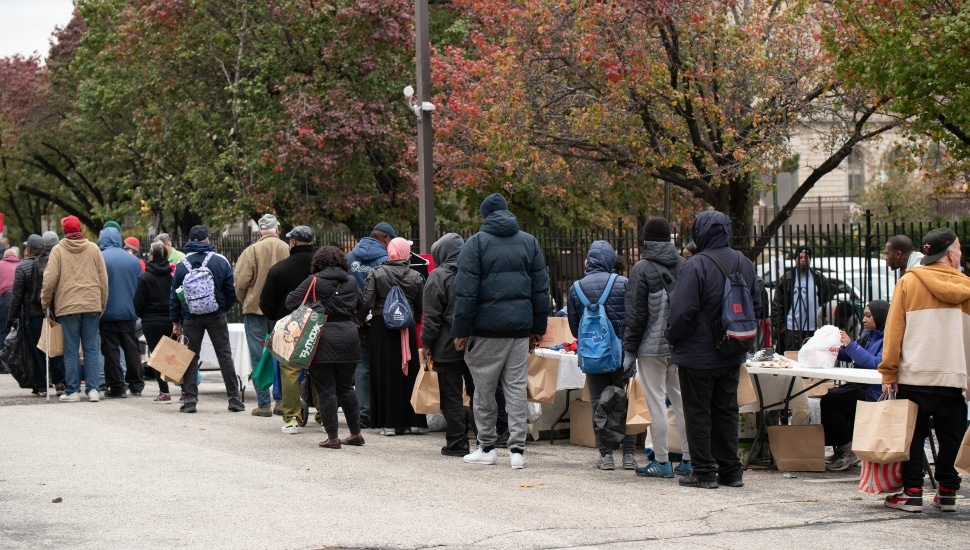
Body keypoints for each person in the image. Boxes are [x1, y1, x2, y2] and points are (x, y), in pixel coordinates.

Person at [453, 193, 550, 470]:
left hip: (486, 330)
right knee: (516, 387)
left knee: (483, 390)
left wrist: (460, 331)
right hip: (519, 329)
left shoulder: (476, 244)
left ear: (484, 216)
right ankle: (517, 450)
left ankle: (486, 446)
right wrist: (538, 329)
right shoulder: (529, 242)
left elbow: (466, 293)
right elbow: (540, 289)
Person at [666, 210, 761, 489]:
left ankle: (704, 471)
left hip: (698, 354)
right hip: (732, 349)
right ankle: (731, 470)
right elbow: (756, 306)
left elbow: (681, 311)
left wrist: (672, 337)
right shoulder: (744, 263)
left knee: (698, 411)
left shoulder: (696, 266)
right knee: (726, 410)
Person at [880, 228, 969, 513]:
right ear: (951, 255)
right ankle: (947, 490)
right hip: (954, 375)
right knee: (951, 434)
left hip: (915, 373)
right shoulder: (967, 288)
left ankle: (913, 492)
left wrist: (888, 372)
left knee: (913, 435)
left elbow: (893, 332)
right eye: (959, 250)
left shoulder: (908, 283)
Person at [623, 218, 692, 478]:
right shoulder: (685, 265)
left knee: (656, 404)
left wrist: (629, 350)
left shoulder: (641, 269)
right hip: (679, 346)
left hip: (650, 349)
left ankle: (662, 461)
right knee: (682, 402)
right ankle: (689, 459)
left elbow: (636, 316)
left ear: (646, 240)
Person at [285, 246, 364, 449]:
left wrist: (314, 305)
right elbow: (362, 304)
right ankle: (356, 433)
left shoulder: (313, 281)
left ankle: (333, 437)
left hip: (321, 336)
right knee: (346, 387)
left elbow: (291, 301)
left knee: (326, 389)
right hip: (349, 336)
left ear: (318, 262)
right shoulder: (352, 281)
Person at [567, 240, 634, 471]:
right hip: (620, 353)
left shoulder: (575, 288)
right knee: (624, 400)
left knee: (598, 402)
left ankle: (606, 456)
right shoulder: (624, 283)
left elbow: (575, 328)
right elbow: (632, 319)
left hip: (593, 356)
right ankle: (629, 455)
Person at [169, 225, 244, 414]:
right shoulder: (220, 261)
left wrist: (176, 321)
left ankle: (190, 400)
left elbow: (174, 296)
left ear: (190, 241)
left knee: (191, 357)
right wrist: (222, 308)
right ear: (207, 240)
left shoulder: (182, 265)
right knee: (224, 355)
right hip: (216, 315)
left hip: (191, 318)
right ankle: (234, 399)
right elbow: (230, 291)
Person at [357, 237, 426, 436]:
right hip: (407, 328)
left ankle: (388, 423)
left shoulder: (376, 273)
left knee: (384, 373)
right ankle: (413, 421)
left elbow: (366, 301)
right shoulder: (415, 276)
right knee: (410, 372)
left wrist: (361, 320)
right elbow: (421, 308)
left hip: (381, 327)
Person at [41, 215, 109, 403]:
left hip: (67, 305)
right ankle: (93, 389)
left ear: (64, 232)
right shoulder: (94, 249)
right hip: (91, 303)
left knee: (71, 349)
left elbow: (50, 279)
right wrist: (102, 302)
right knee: (91, 349)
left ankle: (72, 391)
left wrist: (45, 302)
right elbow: (103, 279)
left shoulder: (58, 250)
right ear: (81, 230)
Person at [260, 225, 318, 433]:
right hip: (318, 323)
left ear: (292, 242)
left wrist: (276, 317)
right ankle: (322, 415)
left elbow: (265, 302)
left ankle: (292, 417)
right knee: (318, 369)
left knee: (290, 370)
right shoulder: (320, 269)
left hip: (288, 326)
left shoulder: (279, 269)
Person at [421, 233, 473, 457]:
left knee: (450, 394)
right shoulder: (474, 273)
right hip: (475, 343)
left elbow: (431, 317)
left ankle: (457, 442)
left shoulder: (438, 276)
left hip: (446, 345)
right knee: (478, 391)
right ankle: (484, 438)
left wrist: (426, 344)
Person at [820, 300, 888, 471]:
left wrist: (851, 345)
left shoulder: (888, 338)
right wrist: (831, 348)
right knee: (831, 397)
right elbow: (853, 355)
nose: (864, 320)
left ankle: (848, 450)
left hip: (874, 391)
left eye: (868, 316)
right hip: (860, 386)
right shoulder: (868, 334)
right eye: (864, 315)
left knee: (832, 401)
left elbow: (875, 363)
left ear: (880, 317)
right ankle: (843, 448)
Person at [234, 214, 290, 417]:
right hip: (282, 311)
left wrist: (246, 300)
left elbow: (241, 282)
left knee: (258, 357)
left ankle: (263, 402)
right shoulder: (287, 248)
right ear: (277, 229)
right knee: (282, 356)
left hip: (255, 309)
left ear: (260, 232)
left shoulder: (251, 250)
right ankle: (282, 401)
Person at [345, 221, 395, 428]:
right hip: (380, 319)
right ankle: (382, 412)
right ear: (386, 239)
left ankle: (364, 413)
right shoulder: (386, 260)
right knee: (382, 366)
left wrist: (356, 315)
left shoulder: (350, 257)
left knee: (361, 367)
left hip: (354, 319)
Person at [9, 235, 65, 396]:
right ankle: (61, 382)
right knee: (56, 347)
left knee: (37, 349)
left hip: (33, 315)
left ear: (29, 249)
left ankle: (41, 385)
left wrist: (11, 317)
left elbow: (17, 296)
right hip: (55, 312)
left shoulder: (23, 267)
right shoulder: (54, 262)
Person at [99, 226, 146, 398]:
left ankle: (117, 386)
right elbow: (140, 285)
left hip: (107, 312)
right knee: (131, 348)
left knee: (111, 350)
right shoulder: (132, 260)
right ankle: (136, 384)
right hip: (128, 311)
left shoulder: (100, 258)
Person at [135, 242, 176, 403]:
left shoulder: (145, 277)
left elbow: (137, 303)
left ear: (151, 257)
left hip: (151, 321)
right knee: (175, 355)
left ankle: (164, 392)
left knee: (158, 356)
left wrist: (144, 314)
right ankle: (186, 390)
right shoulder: (172, 275)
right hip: (170, 319)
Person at [770, 245, 831, 353]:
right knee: (793, 359)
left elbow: (826, 302)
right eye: (800, 257)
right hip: (792, 327)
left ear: (810, 259)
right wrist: (780, 326)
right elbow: (777, 304)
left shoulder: (819, 279)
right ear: (796, 259)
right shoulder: (787, 279)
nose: (803, 260)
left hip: (814, 327)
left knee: (812, 358)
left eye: (806, 257)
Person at [0, 246, 21, 345]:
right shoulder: (21, 265)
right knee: (21, 329)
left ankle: (3, 356)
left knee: (4, 330)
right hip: (20, 299)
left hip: (5, 298)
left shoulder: (0, 265)